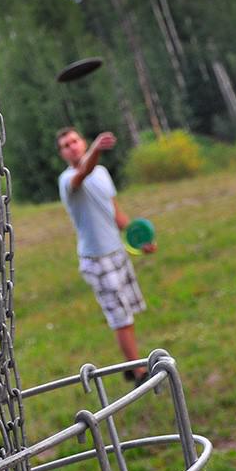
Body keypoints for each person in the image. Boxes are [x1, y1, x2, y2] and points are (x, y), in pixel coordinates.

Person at [56, 127, 156, 384]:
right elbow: (82, 173)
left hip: (117, 252)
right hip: (96, 260)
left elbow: (113, 210)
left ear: (83, 141)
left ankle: (129, 364)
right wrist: (97, 150)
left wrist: (139, 237)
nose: (72, 146)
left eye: (75, 140)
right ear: (62, 153)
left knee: (128, 312)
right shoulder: (67, 180)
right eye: (66, 145)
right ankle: (139, 373)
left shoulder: (101, 172)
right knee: (121, 319)